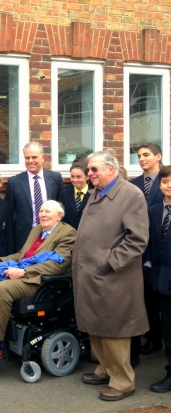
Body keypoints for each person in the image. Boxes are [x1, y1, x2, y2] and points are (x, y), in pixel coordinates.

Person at [72, 151, 149, 402]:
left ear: (111, 169)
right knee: (96, 325)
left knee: (114, 328)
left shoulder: (130, 194)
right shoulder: (97, 192)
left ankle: (123, 382)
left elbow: (137, 240)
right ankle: (105, 370)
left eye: (94, 169)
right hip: (91, 275)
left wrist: (108, 261)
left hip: (114, 277)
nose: (90, 174)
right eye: (89, 170)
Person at [0, 200, 76, 365]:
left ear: (59, 215)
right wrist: (0, 259)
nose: (42, 214)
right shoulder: (37, 229)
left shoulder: (68, 233)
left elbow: (59, 264)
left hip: (40, 282)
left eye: (47, 212)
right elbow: (23, 255)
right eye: (41, 211)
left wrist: (24, 272)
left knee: (2, 288)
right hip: (20, 275)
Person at [130, 143, 163, 358]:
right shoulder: (134, 184)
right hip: (139, 247)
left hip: (161, 244)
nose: (141, 159)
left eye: (146, 155)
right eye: (139, 156)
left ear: (158, 157)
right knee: (145, 297)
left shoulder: (166, 180)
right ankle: (152, 338)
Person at [5, 142, 64, 251]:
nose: (30, 161)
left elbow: (62, 209)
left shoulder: (55, 178)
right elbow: (8, 215)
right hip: (24, 239)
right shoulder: (14, 182)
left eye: (34, 157)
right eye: (27, 158)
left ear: (43, 157)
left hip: (51, 237)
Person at [144, 165, 171, 393]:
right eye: (165, 181)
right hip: (161, 281)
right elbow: (150, 245)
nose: (169, 185)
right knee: (168, 332)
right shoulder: (153, 211)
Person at [59, 161, 91, 230]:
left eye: (79, 177)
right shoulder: (63, 194)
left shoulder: (94, 194)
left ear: (87, 176)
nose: (75, 180)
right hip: (67, 236)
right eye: (72, 176)